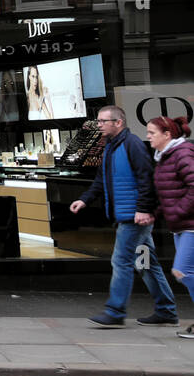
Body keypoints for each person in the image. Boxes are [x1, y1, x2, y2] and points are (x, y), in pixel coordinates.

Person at [70, 105, 177, 327]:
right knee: (146, 263)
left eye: (102, 121)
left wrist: (144, 209)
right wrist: (85, 199)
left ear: (118, 122)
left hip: (134, 218)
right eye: (97, 121)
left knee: (121, 261)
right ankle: (166, 310)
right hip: (131, 216)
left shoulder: (132, 145)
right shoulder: (111, 146)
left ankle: (116, 311)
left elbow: (147, 179)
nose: (98, 126)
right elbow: (102, 180)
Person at [148, 115, 194, 337]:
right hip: (181, 225)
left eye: (152, 133)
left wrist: (176, 212)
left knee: (182, 271)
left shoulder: (182, 153)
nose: (148, 137)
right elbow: (167, 192)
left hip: (190, 224)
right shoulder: (165, 156)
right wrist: (155, 213)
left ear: (167, 135)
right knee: (187, 271)